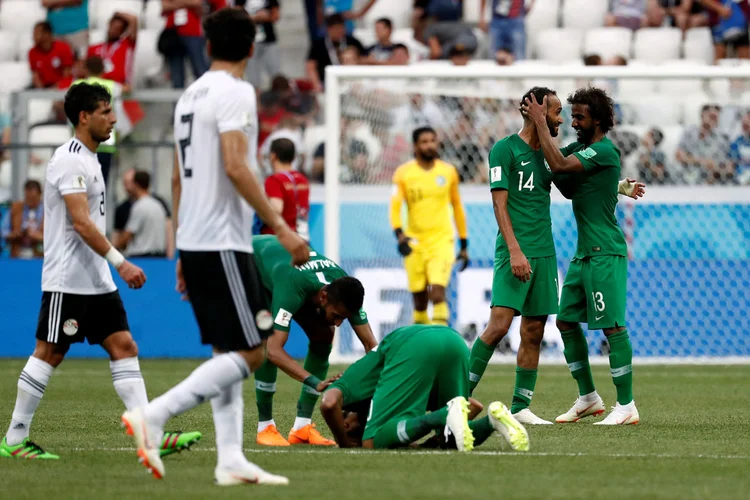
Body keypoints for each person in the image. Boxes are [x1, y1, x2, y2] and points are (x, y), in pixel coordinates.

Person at [121, 8, 308, 485]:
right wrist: (281, 227)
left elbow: (176, 176)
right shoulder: (235, 91)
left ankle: (229, 459)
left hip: (199, 241)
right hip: (224, 242)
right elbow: (235, 164)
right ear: (251, 47)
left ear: (206, 47)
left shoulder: (190, 95)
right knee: (252, 352)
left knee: (228, 348)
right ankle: (155, 414)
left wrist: (182, 246)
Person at [0, 83, 200, 461]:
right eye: (106, 112)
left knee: (124, 346)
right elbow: (81, 223)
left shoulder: (92, 158)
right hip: (68, 280)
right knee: (49, 352)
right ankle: (14, 438)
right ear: (83, 117)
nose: (113, 118)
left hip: (97, 281)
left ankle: (149, 436)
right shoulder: (70, 160)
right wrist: (121, 261)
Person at [522, 87, 644, 425]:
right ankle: (589, 398)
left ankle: (626, 405)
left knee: (613, 327)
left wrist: (541, 125)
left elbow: (558, 163)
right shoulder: (583, 148)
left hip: (606, 252)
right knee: (564, 321)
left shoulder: (605, 150)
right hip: (583, 255)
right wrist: (617, 187)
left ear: (599, 120)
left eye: (580, 117)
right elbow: (562, 179)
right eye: (572, 115)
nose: (573, 122)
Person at [319, 324, 529, 452]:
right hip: (454, 340)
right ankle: (493, 421)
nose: (345, 424)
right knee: (450, 438)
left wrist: (344, 444)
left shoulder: (350, 379)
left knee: (372, 441)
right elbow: (472, 406)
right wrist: (434, 437)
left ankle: (447, 415)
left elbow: (329, 404)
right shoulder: (387, 392)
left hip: (416, 346)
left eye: (345, 418)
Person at [252, 235, 377, 446]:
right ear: (323, 297)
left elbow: (372, 348)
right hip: (252, 264)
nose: (338, 323)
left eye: (343, 318)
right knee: (266, 340)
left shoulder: (344, 287)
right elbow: (275, 350)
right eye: (337, 315)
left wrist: (365, 386)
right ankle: (265, 427)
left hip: (290, 271)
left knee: (324, 335)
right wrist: (314, 381)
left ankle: (302, 427)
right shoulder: (292, 284)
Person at [390, 127, 469, 326]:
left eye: (432, 140)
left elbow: (457, 207)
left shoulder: (448, 172)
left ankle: (440, 343)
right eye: (424, 142)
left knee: (437, 290)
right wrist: (399, 234)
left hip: (441, 240)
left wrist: (464, 243)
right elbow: (395, 207)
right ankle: (422, 344)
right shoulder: (404, 173)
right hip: (414, 241)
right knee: (419, 300)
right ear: (415, 146)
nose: (429, 145)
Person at [68, 56, 124, 185]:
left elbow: (70, 117)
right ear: (103, 69)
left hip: (81, 144)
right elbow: (118, 117)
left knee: (80, 187)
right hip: (105, 145)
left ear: (86, 69)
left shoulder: (76, 86)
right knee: (100, 188)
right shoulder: (112, 86)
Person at [161, 0, 227, 89]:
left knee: (200, 70)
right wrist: (189, 3)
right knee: (176, 75)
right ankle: (178, 102)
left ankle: (207, 98)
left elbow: (197, 3)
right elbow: (164, 6)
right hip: (173, 34)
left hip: (193, 33)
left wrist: (174, 3)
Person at [254, 139, 310, 241]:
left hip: (276, 240)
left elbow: (276, 209)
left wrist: (258, 206)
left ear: (273, 156)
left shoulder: (274, 180)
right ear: (293, 157)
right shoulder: (302, 180)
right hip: (299, 237)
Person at [114, 168, 174, 259]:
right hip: (160, 257)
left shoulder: (139, 207)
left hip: (141, 257)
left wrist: (113, 247)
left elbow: (127, 235)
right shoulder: (159, 205)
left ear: (136, 184)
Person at [306, 14, 365, 91]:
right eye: (336, 28)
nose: (340, 31)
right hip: (326, 82)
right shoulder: (319, 44)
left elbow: (364, 59)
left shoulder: (353, 41)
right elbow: (310, 66)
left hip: (351, 80)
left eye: (342, 28)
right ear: (328, 29)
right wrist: (317, 85)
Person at [236, 0, 281, 89]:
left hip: (268, 40)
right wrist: (254, 17)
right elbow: (237, 16)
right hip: (250, 41)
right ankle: (256, 98)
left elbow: (276, 15)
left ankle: (277, 98)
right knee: (253, 78)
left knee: (275, 74)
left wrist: (266, 17)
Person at [86, 11, 138, 88]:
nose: (113, 30)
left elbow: (134, 19)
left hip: (121, 86)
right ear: (108, 25)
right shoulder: (93, 48)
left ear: (122, 32)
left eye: (118, 29)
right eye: (112, 26)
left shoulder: (127, 44)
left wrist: (118, 14)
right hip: (99, 87)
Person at [29, 21, 74, 89]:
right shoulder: (32, 52)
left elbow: (67, 73)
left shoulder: (63, 48)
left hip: (62, 87)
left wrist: (56, 88)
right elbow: (36, 75)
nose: (33, 36)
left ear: (47, 34)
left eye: (37, 33)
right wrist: (42, 92)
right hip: (44, 88)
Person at [6, 180, 44, 259]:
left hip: (41, 257)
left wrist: (41, 237)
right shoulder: (15, 208)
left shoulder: (49, 211)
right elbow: (4, 231)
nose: (30, 201)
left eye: (33, 198)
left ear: (40, 195)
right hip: (17, 255)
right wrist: (14, 234)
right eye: (27, 197)